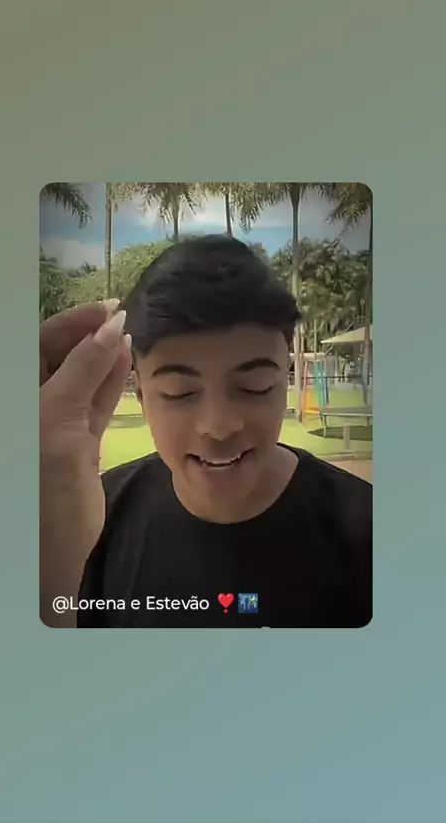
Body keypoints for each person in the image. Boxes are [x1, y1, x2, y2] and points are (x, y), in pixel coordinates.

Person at [40, 235, 372, 629]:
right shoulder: (86, 521)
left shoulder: (368, 533)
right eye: (178, 392)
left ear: (283, 380)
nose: (218, 426)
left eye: (254, 387)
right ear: (141, 393)